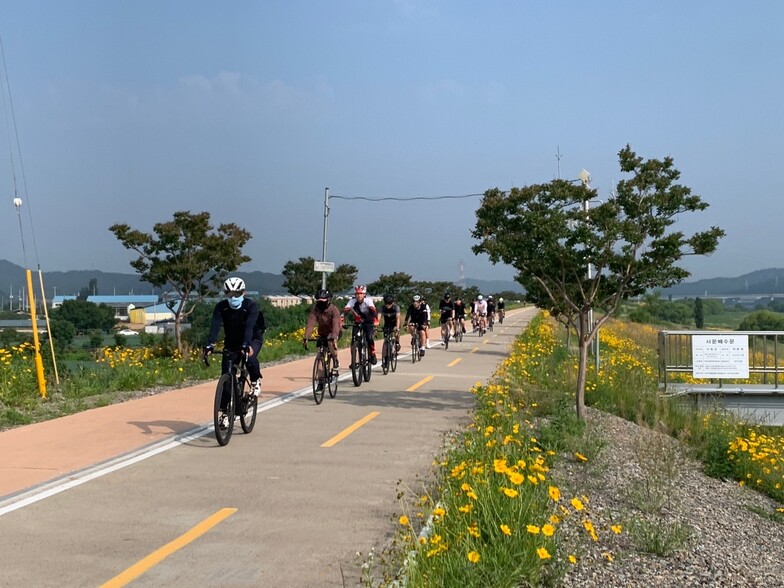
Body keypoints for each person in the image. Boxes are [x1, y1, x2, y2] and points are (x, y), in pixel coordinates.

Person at [204, 277, 266, 426]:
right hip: (231, 342)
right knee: (226, 376)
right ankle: (225, 412)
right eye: (229, 294)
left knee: (250, 358)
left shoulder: (250, 306)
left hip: (252, 338)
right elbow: (215, 326)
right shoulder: (221, 307)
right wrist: (209, 344)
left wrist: (246, 344)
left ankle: (255, 380)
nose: (233, 297)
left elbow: (249, 326)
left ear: (243, 292)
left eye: (236, 294)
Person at [303, 289, 343, 370]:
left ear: (328, 300)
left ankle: (335, 360)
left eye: (323, 301)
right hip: (322, 333)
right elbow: (311, 323)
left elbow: (336, 324)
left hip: (334, 332)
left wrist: (334, 336)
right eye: (319, 301)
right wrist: (306, 336)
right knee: (320, 352)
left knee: (330, 342)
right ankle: (321, 379)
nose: (321, 303)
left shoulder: (334, 310)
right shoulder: (316, 310)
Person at [343, 285, 379, 364]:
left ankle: (372, 353)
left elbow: (373, 311)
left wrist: (375, 320)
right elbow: (345, 311)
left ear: (364, 294)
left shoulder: (368, 300)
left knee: (369, 337)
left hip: (368, 321)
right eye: (357, 294)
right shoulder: (352, 301)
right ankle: (354, 361)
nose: (359, 296)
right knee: (353, 340)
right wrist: (341, 320)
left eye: (361, 294)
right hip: (358, 321)